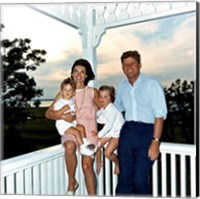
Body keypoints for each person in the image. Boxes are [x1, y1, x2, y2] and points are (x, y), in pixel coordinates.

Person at [115, 50, 167, 196]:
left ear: (140, 65)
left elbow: (159, 115)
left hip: (147, 133)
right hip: (127, 132)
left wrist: (155, 142)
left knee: (139, 179)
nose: (129, 66)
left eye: (132, 63)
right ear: (122, 68)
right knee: (124, 178)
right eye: (125, 64)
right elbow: (116, 109)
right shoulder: (122, 87)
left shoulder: (152, 85)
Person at [45, 58, 101, 195]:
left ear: (87, 75)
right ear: (71, 74)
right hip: (70, 129)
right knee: (69, 146)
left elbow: (105, 113)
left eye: (82, 72)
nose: (79, 74)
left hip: (88, 132)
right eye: (76, 71)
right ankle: (71, 182)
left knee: (87, 166)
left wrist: (103, 135)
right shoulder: (65, 91)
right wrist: (62, 116)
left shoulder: (93, 92)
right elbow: (48, 113)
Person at [54, 77, 95, 156]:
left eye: (70, 90)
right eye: (65, 89)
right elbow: (56, 114)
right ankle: (82, 148)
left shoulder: (72, 101)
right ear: (61, 92)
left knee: (81, 128)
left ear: (73, 93)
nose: (67, 92)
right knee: (76, 132)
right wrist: (63, 109)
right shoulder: (59, 103)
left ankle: (86, 143)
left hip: (71, 124)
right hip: (63, 126)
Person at [93, 85, 125, 175]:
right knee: (96, 145)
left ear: (111, 98)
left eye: (105, 97)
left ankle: (117, 162)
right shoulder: (104, 109)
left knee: (107, 153)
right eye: (100, 96)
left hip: (117, 134)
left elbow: (108, 125)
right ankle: (99, 161)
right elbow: (98, 117)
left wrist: (98, 135)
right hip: (111, 133)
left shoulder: (112, 110)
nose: (102, 99)